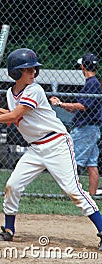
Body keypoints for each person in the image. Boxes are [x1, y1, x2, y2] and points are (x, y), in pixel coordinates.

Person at [0, 48, 102, 250]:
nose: (33, 73)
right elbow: (18, 117)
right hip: (35, 149)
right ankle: (8, 229)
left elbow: (13, 116)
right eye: (28, 70)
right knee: (13, 185)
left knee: (73, 191)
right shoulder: (12, 93)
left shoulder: (34, 90)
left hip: (56, 145)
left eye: (34, 69)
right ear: (16, 73)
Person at [49, 53, 102, 195]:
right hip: (90, 129)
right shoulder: (92, 83)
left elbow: (82, 106)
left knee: (71, 161)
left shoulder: (93, 84)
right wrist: (61, 104)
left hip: (86, 130)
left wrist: (59, 103)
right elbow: (78, 108)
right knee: (91, 164)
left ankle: (71, 194)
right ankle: (91, 195)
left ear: (83, 66)